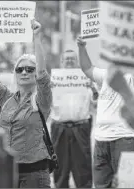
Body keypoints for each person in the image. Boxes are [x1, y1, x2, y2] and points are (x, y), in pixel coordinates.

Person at [77, 37, 134, 188]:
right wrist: (81, 47)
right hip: (102, 139)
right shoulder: (106, 75)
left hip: (126, 139)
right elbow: (87, 69)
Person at [0, 20, 53, 188]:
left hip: (34, 175)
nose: (24, 72)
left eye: (30, 69)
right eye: (20, 69)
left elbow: (43, 75)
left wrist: (36, 36)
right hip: (6, 172)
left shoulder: (41, 100)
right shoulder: (7, 99)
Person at [50, 49, 97, 188]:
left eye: (72, 59)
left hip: (81, 127)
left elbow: (96, 102)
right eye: (67, 59)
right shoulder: (54, 81)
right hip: (59, 128)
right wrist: (47, 89)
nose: (69, 61)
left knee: (83, 170)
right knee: (60, 170)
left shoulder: (85, 79)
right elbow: (44, 104)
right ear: (61, 62)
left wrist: (93, 89)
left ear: (77, 62)